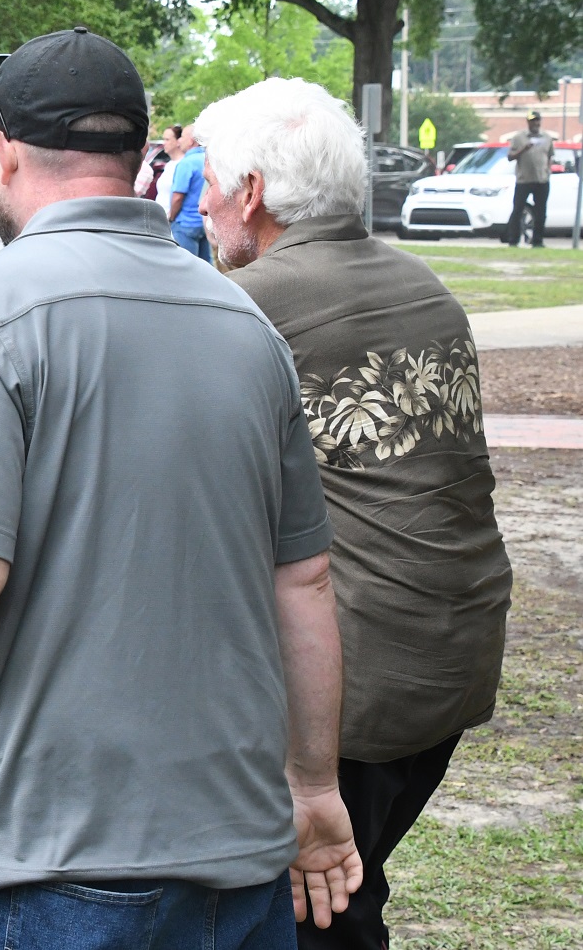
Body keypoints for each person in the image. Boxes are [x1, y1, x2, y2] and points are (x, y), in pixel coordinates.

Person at [0, 29, 363, 948]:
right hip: (242, 861)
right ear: (135, 157)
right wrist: (316, 786)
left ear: (4, 152)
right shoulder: (246, 323)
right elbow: (303, 580)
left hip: (50, 868)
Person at [196, 76, 512, 950]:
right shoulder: (425, 284)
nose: (201, 204)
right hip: (454, 655)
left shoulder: (245, 305)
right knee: (347, 888)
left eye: (209, 183)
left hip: (353, 685)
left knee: (311, 912)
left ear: (252, 193)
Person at [506, 111, 554, 247]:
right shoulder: (519, 137)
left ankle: (538, 241)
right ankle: (513, 240)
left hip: (541, 180)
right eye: (532, 120)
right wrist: (523, 149)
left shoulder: (547, 137)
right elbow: (510, 157)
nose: (535, 123)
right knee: (518, 209)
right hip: (524, 180)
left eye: (537, 120)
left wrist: (548, 171)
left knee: (541, 212)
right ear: (528, 122)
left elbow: (550, 156)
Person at [169, 123, 209, 260]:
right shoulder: (207, 159)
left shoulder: (186, 163)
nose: (179, 140)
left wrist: (171, 217)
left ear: (191, 141)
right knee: (204, 265)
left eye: (182, 137)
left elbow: (178, 197)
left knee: (184, 265)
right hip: (203, 222)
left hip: (186, 224)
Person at [152, 122, 185, 212]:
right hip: (160, 214)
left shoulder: (183, 164)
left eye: (167, 140)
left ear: (178, 141)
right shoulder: (169, 164)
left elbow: (179, 197)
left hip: (171, 216)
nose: (164, 143)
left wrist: (171, 216)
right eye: (163, 139)